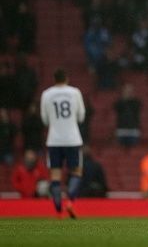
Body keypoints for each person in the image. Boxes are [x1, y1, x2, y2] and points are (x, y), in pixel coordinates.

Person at [40, 69, 86, 219]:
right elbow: (81, 116)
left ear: (54, 79)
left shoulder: (46, 94)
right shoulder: (75, 92)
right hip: (72, 138)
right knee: (76, 171)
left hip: (54, 140)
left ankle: (58, 209)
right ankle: (70, 201)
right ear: (66, 78)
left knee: (55, 174)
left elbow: (45, 120)